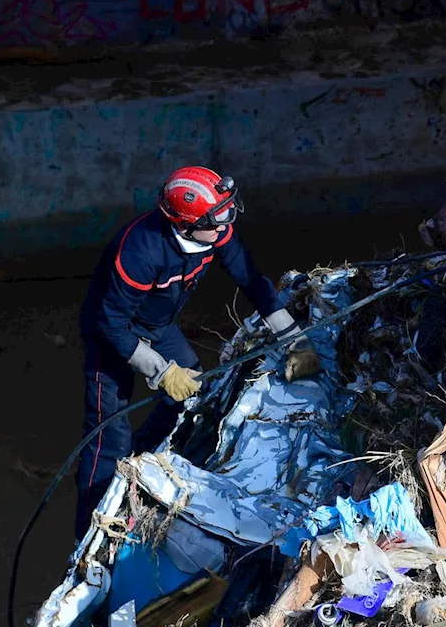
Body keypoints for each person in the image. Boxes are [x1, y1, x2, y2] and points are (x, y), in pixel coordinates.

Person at [74, 166, 299, 536]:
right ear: (184, 224)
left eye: (228, 211)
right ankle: (91, 527)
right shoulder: (141, 252)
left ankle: (143, 459)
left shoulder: (213, 233)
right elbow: (111, 324)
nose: (225, 223)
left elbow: (250, 279)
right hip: (112, 334)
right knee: (107, 433)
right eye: (217, 218)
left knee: (190, 391)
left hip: (158, 325)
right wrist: (160, 371)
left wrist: (292, 335)